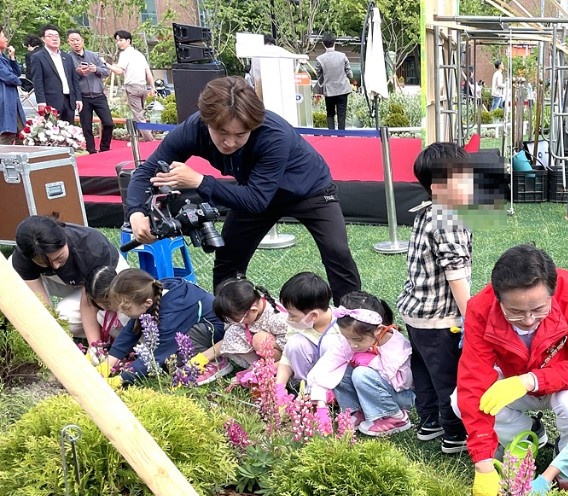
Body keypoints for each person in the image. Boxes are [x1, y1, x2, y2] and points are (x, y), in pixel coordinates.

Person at [125, 76, 361, 304]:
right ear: (207, 122)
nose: (229, 142)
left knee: (337, 251)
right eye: (222, 133)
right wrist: (136, 212)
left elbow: (257, 201)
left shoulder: (273, 134)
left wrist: (200, 181)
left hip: (310, 191)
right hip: (253, 189)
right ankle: (228, 323)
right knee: (228, 257)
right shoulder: (193, 128)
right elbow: (147, 172)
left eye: (240, 135)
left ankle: (353, 320)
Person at [455, 244, 568, 496]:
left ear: (553, 290)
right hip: (516, 384)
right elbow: (472, 382)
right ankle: (528, 434)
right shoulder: (480, 309)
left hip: (564, 382)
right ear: (498, 298)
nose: (528, 320)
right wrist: (482, 462)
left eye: (539, 309)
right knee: (460, 401)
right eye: (514, 312)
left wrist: (529, 380)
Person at [397, 142, 473, 454]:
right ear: (439, 187)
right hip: (441, 318)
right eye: (463, 178)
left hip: (416, 313)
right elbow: (455, 274)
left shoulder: (426, 212)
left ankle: (430, 422)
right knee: (449, 378)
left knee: (424, 370)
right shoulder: (449, 219)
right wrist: (472, 318)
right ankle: (454, 433)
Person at [305, 291, 415, 436]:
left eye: (358, 340)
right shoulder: (352, 341)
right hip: (376, 389)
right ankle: (356, 411)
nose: (353, 345)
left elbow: (404, 383)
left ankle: (395, 417)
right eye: (348, 339)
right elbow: (328, 363)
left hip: (401, 396)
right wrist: (314, 392)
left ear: (379, 330)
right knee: (340, 370)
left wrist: (373, 363)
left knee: (361, 373)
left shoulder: (395, 344)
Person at [12, 215, 129, 347]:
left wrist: (95, 347)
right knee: (60, 320)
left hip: (102, 278)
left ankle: (113, 334)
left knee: (120, 310)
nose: (55, 266)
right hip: (63, 281)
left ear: (64, 240)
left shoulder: (92, 247)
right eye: (45, 263)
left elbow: (89, 305)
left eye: (59, 257)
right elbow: (42, 305)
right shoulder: (23, 257)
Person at [100, 269, 224, 386]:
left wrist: (121, 379)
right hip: (191, 326)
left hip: (216, 333)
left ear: (147, 303)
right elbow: (130, 331)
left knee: (178, 346)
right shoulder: (151, 292)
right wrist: (107, 365)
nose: (121, 311)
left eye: (126, 308)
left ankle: (215, 361)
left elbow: (158, 354)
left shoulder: (171, 314)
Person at [191, 277, 289, 384]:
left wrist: (262, 371)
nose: (232, 322)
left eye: (236, 319)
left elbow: (292, 354)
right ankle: (257, 367)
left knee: (260, 339)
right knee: (234, 331)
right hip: (266, 351)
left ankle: (263, 370)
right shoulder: (249, 308)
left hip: (285, 359)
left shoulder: (277, 319)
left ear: (253, 310)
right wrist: (201, 359)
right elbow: (228, 339)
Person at [275, 271, 344, 392]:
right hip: (310, 376)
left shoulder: (342, 326)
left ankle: (332, 395)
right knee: (295, 343)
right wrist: (279, 388)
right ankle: (304, 387)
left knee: (330, 343)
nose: (289, 319)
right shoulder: (298, 324)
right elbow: (287, 356)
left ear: (313, 316)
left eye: (292, 315)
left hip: (337, 379)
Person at [67, 29, 113, 154]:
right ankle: (91, 150)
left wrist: (95, 69)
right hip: (82, 97)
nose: (75, 43)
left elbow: (106, 71)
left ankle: (105, 148)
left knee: (109, 123)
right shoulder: (67, 58)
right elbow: (67, 78)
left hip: (98, 94)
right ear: (68, 42)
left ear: (82, 41)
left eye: (78, 40)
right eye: (72, 40)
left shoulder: (94, 55)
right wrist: (78, 73)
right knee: (87, 127)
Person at [108, 30, 155, 142]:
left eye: (121, 40)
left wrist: (106, 65)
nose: (118, 43)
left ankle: (150, 140)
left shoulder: (124, 54)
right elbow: (148, 71)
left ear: (128, 40)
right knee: (140, 114)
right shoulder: (139, 54)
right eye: (117, 41)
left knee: (138, 116)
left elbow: (119, 71)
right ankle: (138, 138)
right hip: (143, 87)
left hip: (132, 87)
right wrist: (153, 86)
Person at [29, 25, 80, 123]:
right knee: (52, 133)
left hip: (69, 101)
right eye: (50, 36)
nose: (55, 38)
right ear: (43, 39)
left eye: (57, 36)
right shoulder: (38, 57)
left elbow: (74, 79)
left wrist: (78, 98)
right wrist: (41, 101)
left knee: (69, 134)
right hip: (51, 102)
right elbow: (37, 81)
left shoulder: (67, 57)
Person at [315, 33, 353, 131]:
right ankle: (341, 136)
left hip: (329, 90)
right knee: (342, 115)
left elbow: (318, 74)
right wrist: (349, 77)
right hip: (342, 89)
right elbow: (349, 72)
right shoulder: (342, 56)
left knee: (330, 113)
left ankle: (330, 136)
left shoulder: (320, 59)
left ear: (323, 44)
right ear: (334, 43)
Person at [0, 26, 24, 144]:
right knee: (6, 135)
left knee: (21, 133)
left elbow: (17, 73)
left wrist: (12, 57)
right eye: (3, 36)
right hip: (4, 101)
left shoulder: (3, 57)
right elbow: (9, 77)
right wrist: (20, 82)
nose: (6, 39)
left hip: (12, 101)